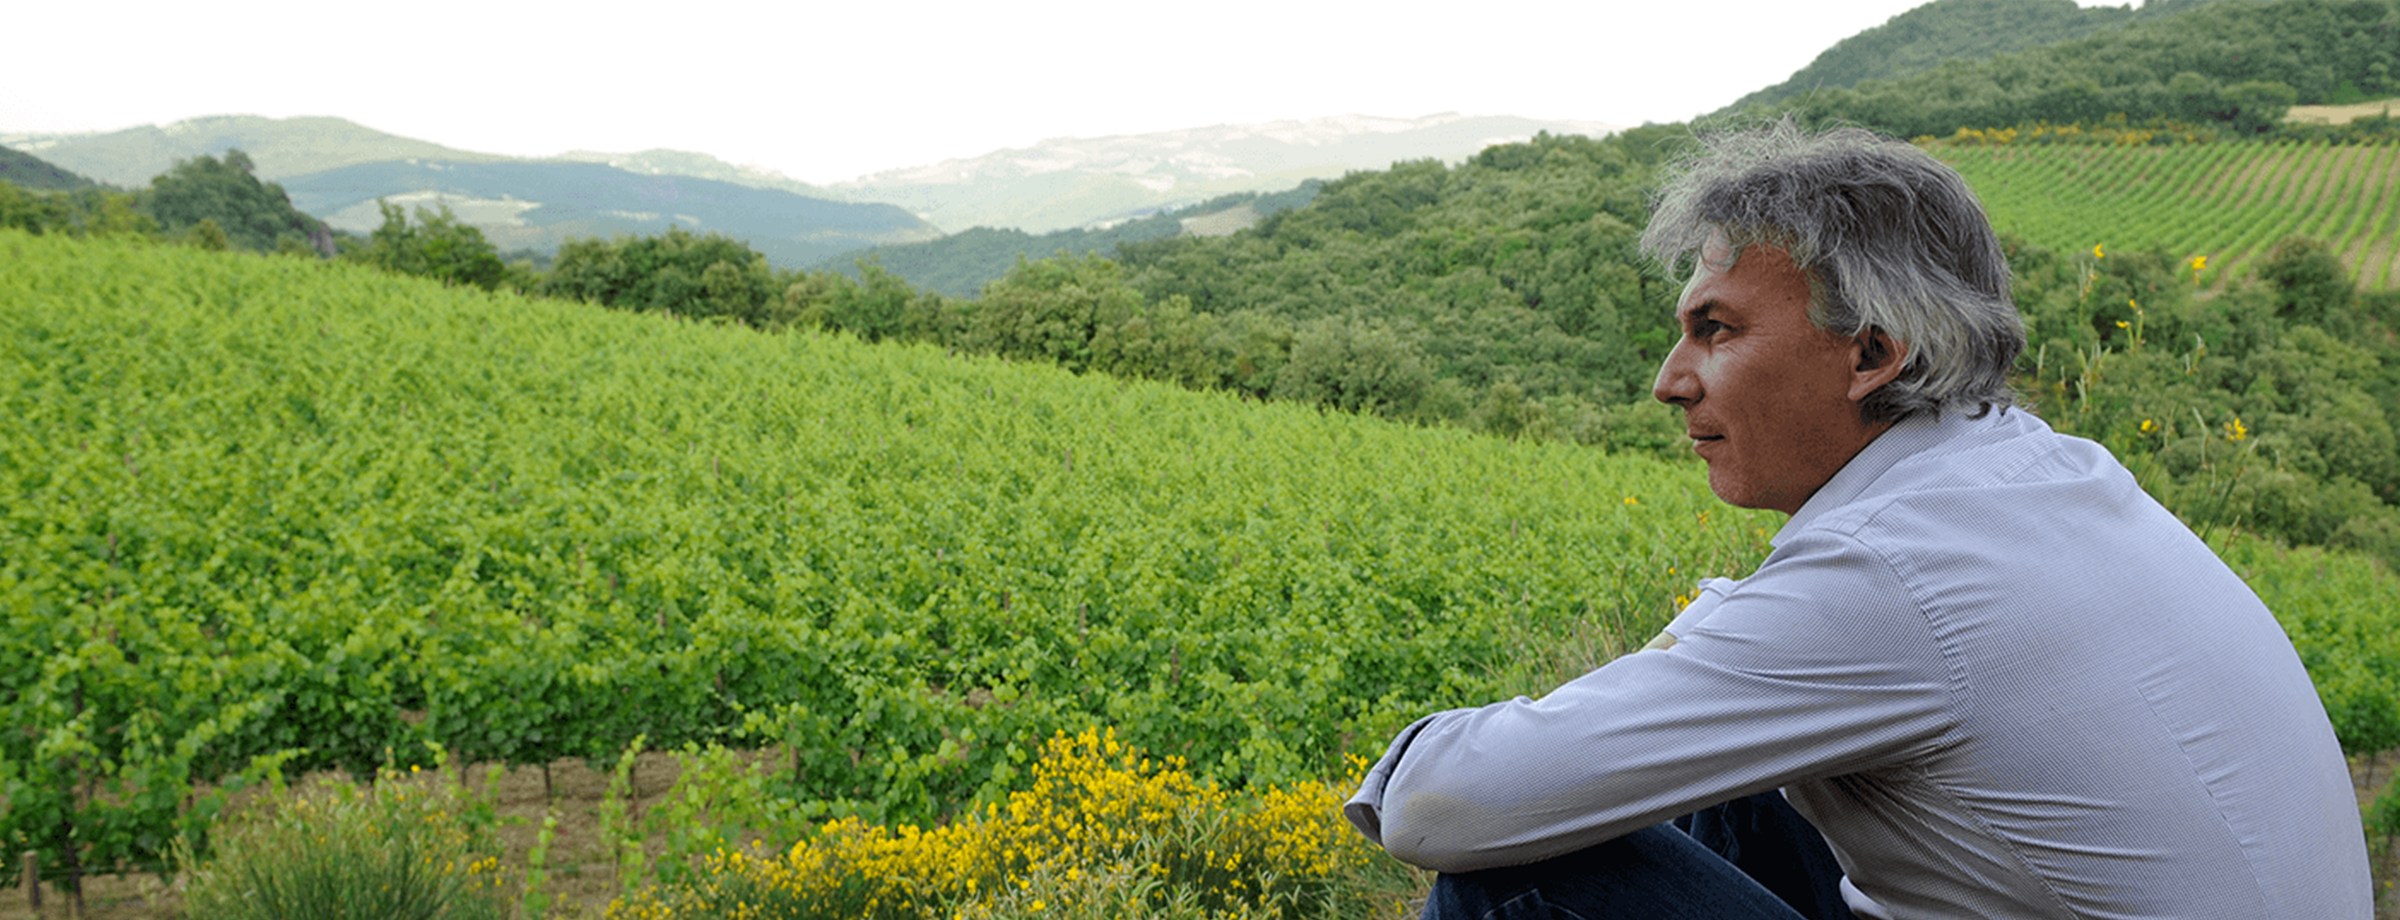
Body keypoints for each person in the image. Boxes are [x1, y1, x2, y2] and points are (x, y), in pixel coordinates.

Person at [1343, 120, 2371, 919]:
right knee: (1737, 776)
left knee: (1522, 875)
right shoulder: (2035, 472)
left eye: (1716, 329)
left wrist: (1408, 761)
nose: (1669, 381)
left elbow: (1442, 806)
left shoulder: (1892, 573)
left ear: (1872, 353)